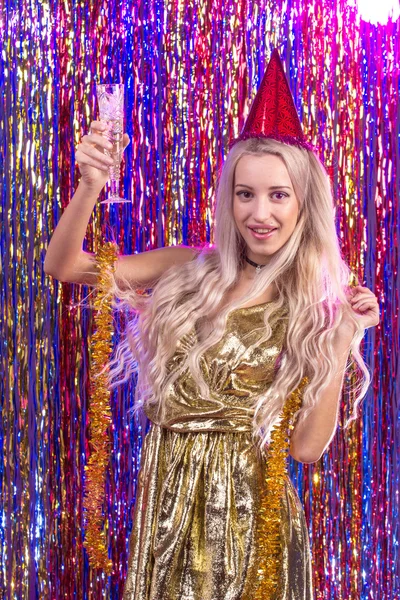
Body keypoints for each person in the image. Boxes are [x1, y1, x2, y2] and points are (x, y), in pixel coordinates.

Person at [44, 50, 379, 600]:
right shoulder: (187, 269)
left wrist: (343, 339)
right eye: (245, 194)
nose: (259, 213)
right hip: (168, 504)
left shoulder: (316, 302)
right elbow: (65, 266)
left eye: (278, 195)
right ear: (229, 199)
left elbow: (307, 449)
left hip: (252, 518)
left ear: (302, 204)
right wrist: (88, 186)